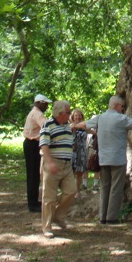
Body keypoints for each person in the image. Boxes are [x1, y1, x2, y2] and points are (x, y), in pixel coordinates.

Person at [74, 95, 132, 224]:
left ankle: (102, 216)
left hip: (103, 159)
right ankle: (111, 217)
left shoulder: (100, 118)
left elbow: (83, 124)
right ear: (117, 105)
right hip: (117, 159)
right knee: (116, 188)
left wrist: (71, 126)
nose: (122, 109)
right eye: (122, 106)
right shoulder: (121, 119)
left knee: (105, 187)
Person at [39, 99, 77, 238]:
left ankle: (58, 216)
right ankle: (47, 227)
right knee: (49, 197)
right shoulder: (48, 125)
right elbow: (44, 145)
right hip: (53, 163)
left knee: (71, 191)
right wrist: (49, 162)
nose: (70, 114)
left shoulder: (67, 125)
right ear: (60, 113)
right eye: (68, 112)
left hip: (67, 165)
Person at [23, 93, 51, 212]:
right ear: (39, 103)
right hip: (32, 144)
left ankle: (33, 200)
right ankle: (32, 204)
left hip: (32, 144)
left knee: (34, 173)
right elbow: (47, 126)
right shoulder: (37, 114)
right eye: (45, 104)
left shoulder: (34, 112)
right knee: (33, 174)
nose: (47, 107)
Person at [69, 108, 89, 198]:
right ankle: (70, 191)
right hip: (73, 152)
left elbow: (92, 131)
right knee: (71, 172)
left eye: (79, 115)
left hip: (82, 152)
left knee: (80, 173)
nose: (78, 117)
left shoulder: (84, 126)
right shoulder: (70, 125)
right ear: (73, 117)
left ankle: (78, 191)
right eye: (76, 115)